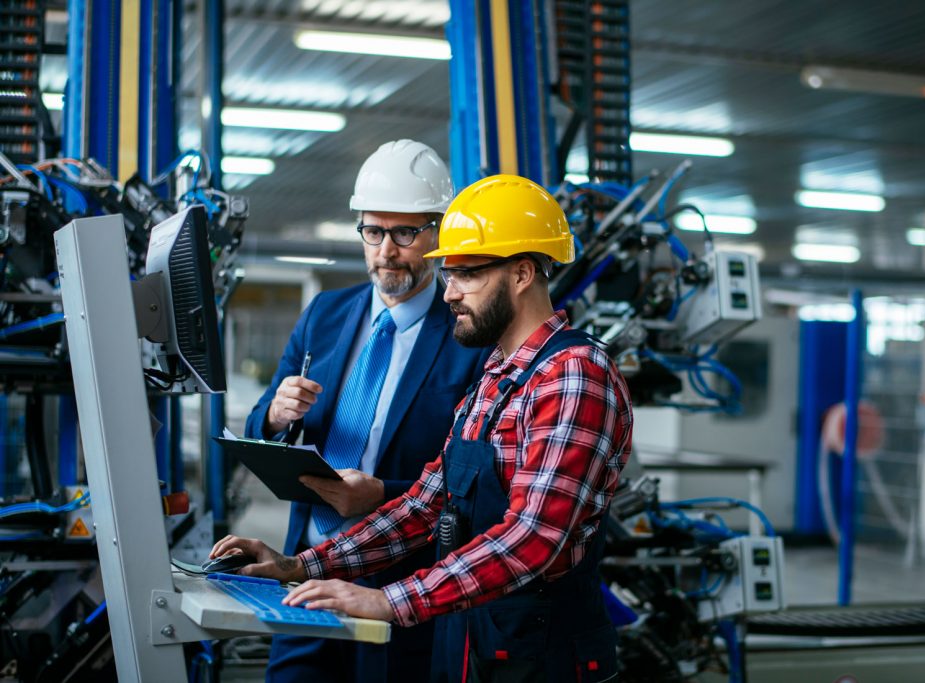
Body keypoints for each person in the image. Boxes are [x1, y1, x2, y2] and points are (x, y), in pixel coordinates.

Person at [217, 174, 634, 682]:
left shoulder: (574, 375)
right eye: (447, 273)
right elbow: (426, 506)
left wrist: (390, 600)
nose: (449, 292)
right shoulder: (497, 376)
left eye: (465, 274)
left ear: (523, 273)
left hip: (542, 657)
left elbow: (532, 538)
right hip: (475, 645)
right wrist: (300, 566)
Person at [245, 140, 489, 682]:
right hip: (305, 575)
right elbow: (257, 425)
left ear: (437, 234)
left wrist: (380, 494)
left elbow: (474, 483)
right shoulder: (326, 315)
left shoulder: (467, 337)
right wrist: (275, 415)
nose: (386, 251)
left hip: (401, 586)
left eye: (404, 233)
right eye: (373, 232)